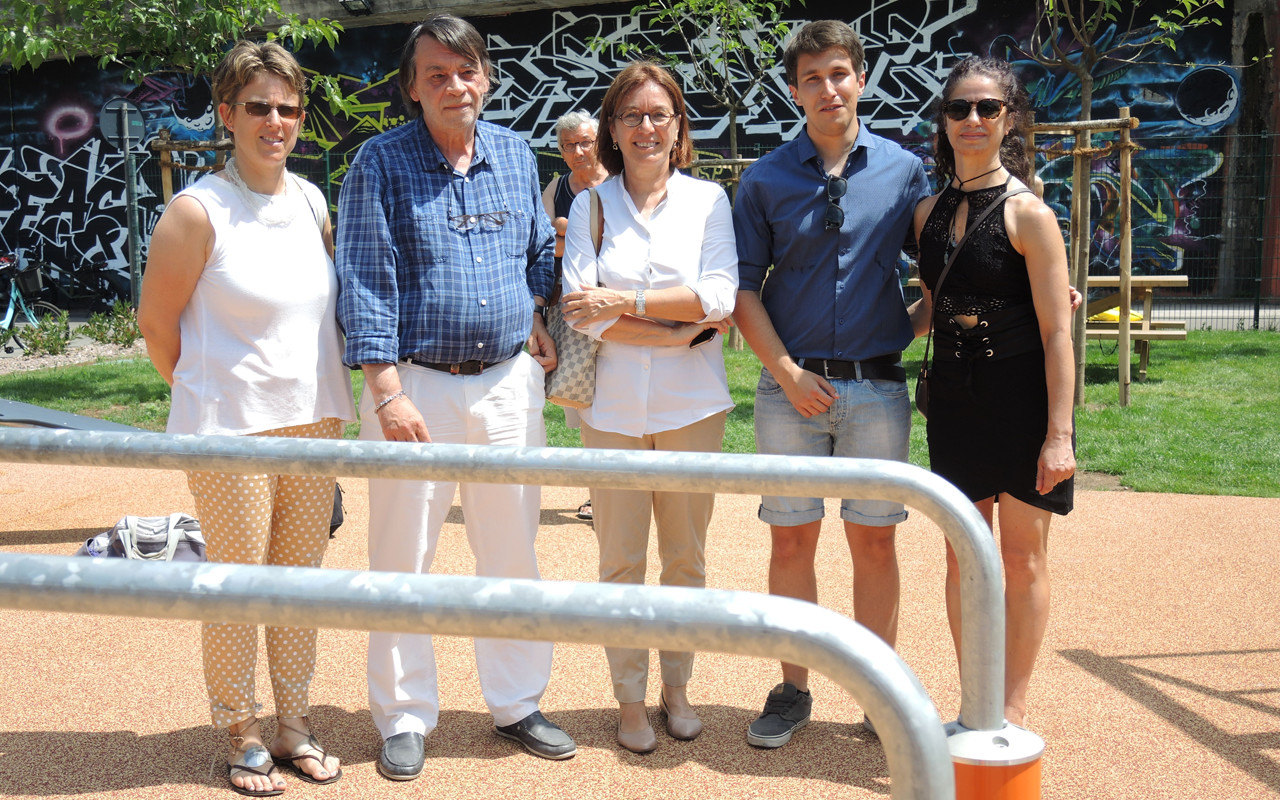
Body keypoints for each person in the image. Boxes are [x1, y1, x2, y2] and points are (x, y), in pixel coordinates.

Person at [334, 13, 574, 780]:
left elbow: (535, 252)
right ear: (412, 87)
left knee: (512, 551)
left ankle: (517, 703)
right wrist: (385, 390)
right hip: (415, 386)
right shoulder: (379, 162)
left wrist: (536, 313)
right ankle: (404, 716)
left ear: (487, 78)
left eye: (466, 71)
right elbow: (364, 280)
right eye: (436, 74)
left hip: (506, 384)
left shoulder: (513, 152)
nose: (454, 85)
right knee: (403, 557)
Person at [138, 40, 354, 797]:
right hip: (230, 430)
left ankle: (294, 723)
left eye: (288, 108)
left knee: (298, 586)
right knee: (237, 587)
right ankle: (242, 730)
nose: (276, 121)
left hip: (315, 421)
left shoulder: (311, 201)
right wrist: (207, 395)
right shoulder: (196, 210)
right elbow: (156, 325)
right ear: (227, 114)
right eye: (259, 106)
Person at [731, 19, 931, 748]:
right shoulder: (764, 179)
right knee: (791, 544)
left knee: (875, 545)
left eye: (839, 73)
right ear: (795, 91)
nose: (828, 89)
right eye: (812, 78)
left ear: (862, 79)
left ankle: (880, 695)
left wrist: (909, 328)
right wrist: (786, 373)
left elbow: (947, 265)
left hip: (877, 392)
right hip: (791, 393)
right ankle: (793, 689)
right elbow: (742, 288)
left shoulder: (905, 173)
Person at [559, 61, 738, 754]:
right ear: (612, 127)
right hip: (610, 411)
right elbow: (581, 309)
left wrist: (626, 301)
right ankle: (629, 698)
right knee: (620, 562)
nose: (645, 128)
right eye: (630, 115)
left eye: (658, 114)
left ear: (678, 124)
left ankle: (678, 688)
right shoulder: (592, 206)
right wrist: (675, 331)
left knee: (686, 559)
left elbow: (719, 297)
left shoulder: (708, 201)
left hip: (693, 408)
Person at [910, 55, 1075, 729]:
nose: (972, 119)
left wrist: (1059, 435)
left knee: (1020, 557)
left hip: (1021, 401)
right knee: (963, 553)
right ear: (944, 121)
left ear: (1010, 120)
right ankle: (976, 699)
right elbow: (931, 307)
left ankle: (1011, 705)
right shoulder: (926, 213)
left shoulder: (1029, 214)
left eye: (987, 108)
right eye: (959, 108)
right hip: (953, 402)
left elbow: (1058, 333)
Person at [541, 109, 610, 521]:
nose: (578, 151)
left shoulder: (620, 183)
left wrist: (567, 235)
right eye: (569, 146)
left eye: (585, 142)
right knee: (585, 399)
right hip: (572, 309)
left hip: (620, 306)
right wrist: (569, 239)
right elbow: (543, 245)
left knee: (621, 395)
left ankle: (628, 488)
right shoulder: (556, 188)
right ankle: (597, 492)